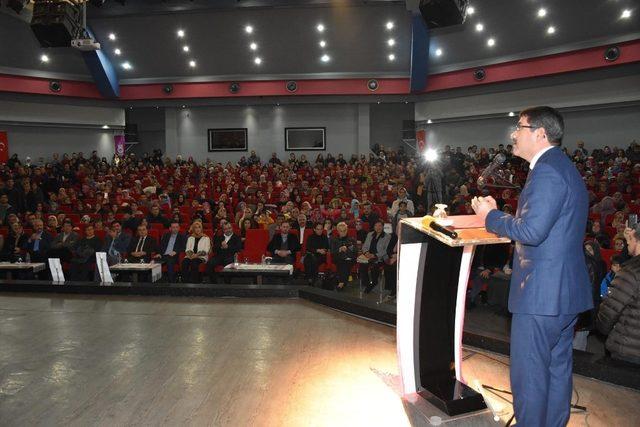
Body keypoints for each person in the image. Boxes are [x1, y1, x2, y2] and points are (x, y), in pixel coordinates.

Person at [472, 106, 592, 426]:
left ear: (540, 134)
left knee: (530, 377)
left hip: (542, 295)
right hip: (561, 295)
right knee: (555, 371)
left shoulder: (548, 171)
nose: (514, 133)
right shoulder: (561, 167)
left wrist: (491, 217)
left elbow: (531, 232)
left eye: (519, 127)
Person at [596, 225, 640, 364]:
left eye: (629, 240)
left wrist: (602, 328)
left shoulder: (630, 272)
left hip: (628, 348)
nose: (627, 243)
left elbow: (609, 312)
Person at [358, 220, 391, 293]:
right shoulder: (370, 234)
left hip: (380, 257)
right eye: (376, 225)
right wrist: (366, 253)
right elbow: (365, 246)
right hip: (368, 255)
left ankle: (374, 282)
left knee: (374, 266)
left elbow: (386, 250)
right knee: (362, 265)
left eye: (380, 226)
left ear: (383, 227)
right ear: (374, 227)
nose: (378, 227)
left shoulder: (387, 236)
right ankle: (367, 283)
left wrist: (374, 255)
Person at [330, 221, 356, 291]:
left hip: (349, 258)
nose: (343, 232)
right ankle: (343, 282)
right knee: (343, 262)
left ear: (347, 230)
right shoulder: (334, 240)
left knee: (345, 262)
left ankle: (341, 282)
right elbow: (332, 252)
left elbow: (354, 252)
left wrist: (347, 250)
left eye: (344, 230)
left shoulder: (352, 239)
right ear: (338, 231)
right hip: (338, 258)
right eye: (341, 231)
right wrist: (339, 249)